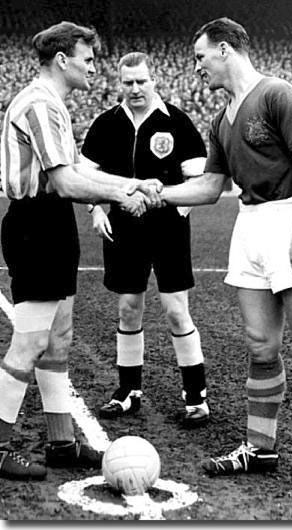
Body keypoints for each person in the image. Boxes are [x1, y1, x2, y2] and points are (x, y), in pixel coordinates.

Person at [159, 17, 292, 484]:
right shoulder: (220, 119)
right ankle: (259, 449)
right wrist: (154, 192)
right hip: (250, 225)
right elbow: (211, 187)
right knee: (261, 346)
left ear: (225, 50)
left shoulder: (277, 94)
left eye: (200, 56)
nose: (196, 67)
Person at [0, 22, 161, 481]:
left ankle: (62, 444)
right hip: (35, 225)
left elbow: (72, 171)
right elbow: (67, 181)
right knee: (30, 341)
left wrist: (126, 184)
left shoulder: (54, 105)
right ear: (62, 60)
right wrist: (124, 188)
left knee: (59, 340)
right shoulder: (37, 104)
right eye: (87, 59)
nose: (94, 66)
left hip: (53, 225)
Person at [81, 52, 210, 427]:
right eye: (128, 82)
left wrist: (166, 202)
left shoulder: (178, 123)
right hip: (123, 229)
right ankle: (128, 391)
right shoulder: (105, 124)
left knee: (175, 309)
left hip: (168, 227)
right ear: (118, 83)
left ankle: (196, 397)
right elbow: (87, 176)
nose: (135, 89)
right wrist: (97, 210)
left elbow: (198, 181)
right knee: (127, 307)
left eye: (142, 81)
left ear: (155, 80)